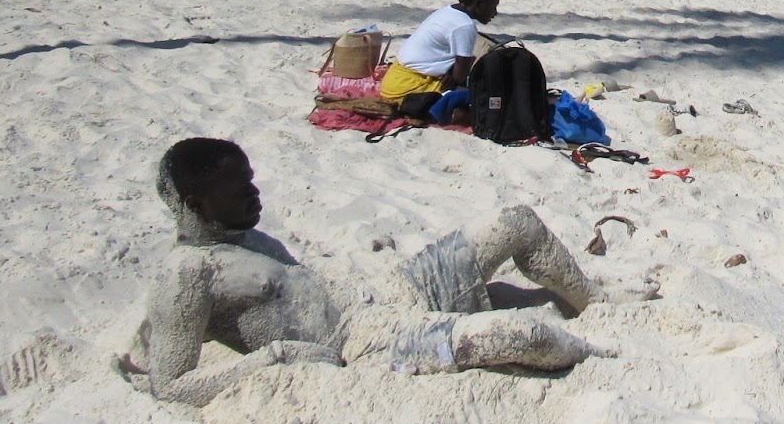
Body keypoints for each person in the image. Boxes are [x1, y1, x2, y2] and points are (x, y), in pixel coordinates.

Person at [142, 138, 645, 406]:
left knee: (515, 221)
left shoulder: (239, 233)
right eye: (239, 190)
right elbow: (171, 386)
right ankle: (603, 354)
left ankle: (595, 303)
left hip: (383, 292)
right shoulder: (186, 276)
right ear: (196, 204)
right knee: (527, 334)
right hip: (366, 344)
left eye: (251, 182)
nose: (255, 195)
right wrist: (272, 358)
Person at [380, 0, 499, 102]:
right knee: (481, 99)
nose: (495, 13)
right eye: (493, 7)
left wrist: (451, 74)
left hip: (392, 80)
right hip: (408, 88)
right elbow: (460, 77)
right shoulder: (465, 26)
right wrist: (454, 78)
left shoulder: (448, 11)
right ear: (479, 3)